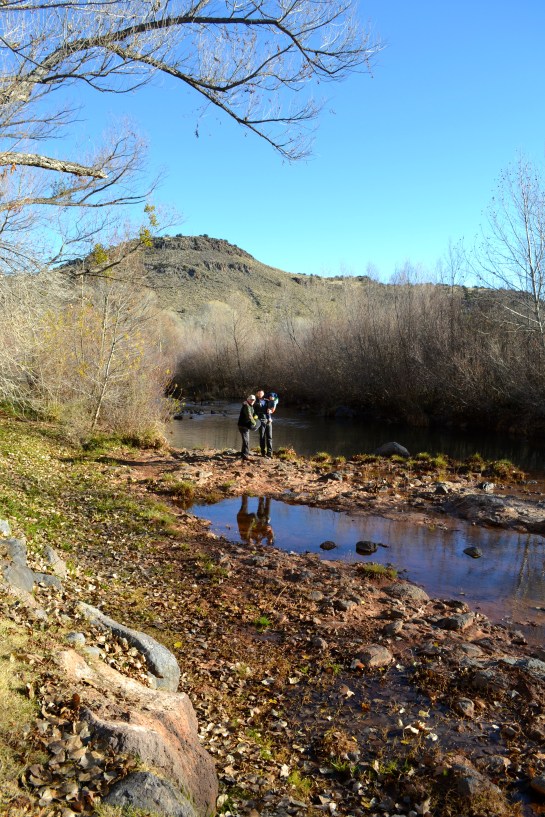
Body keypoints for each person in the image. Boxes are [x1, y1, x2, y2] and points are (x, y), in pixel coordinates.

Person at [254, 390, 279, 458]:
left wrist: (272, 410)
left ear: (263, 394)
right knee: (262, 437)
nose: (260, 394)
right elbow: (251, 408)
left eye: (261, 393)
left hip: (268, 421)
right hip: (260, 420)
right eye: (259, 393)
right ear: (257, 394)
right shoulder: (254, 401)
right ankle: (262, 452)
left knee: (269, 437)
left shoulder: (267, 400)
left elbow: (274, 403)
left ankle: (269, 453)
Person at [237, 394, 258, 460]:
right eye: (251, 399)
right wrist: (255, 423)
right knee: (246, 440)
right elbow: (249, 416)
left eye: (253, 400)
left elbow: (253, 414)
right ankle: (245, 455)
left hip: (246, 425)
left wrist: (256, 417)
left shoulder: (250, 406)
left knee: (245, 440)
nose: (252, 401)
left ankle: (243, 454)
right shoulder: (246, 406)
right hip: (242, 425)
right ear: (248, 399)